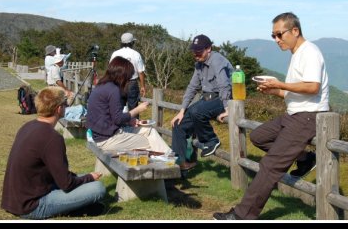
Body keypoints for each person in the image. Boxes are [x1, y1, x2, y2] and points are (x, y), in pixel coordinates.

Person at [213, 12, 329, 220]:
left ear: (295, 31)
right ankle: (305, 158)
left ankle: (242, 215)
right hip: (294, 114)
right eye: (273, 35)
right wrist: (274, 90)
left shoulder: (309, 52)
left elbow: (313, 87)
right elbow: (294, 91)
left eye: (279, 34)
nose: (276, 40)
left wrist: (279, 83)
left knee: (269, 166)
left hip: (308, 116)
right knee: (259, 136)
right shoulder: (297, 53)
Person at [1, 86, 106, 220]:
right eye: (65, 104)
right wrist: (89, 178)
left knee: (84, 178)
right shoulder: (52, 137)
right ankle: (73, 208)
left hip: (15, 199)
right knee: (98, 188)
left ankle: (76, 205)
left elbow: (56, 173)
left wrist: (85, 178)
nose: (66, 106)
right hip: (32, 205)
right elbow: (66, 184)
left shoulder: (27, 126)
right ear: (58, 109)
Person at [86, 56, 171, 172]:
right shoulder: (113, 90)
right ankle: (169, 167)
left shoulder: (102, 86)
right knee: (150, 141)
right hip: (108, 139)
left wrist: (129, 121)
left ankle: (170, 161)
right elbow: (118, 118)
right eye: (129, 77)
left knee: (150, 131)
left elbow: (109, 115)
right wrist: (137, 109)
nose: (129, 80)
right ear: (122, 75)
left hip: (101, 135)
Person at [170, 34, 234, 172]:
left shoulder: (218, 61)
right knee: (178, 125)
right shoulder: (199, 64)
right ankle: (179, 164)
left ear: (208, 48)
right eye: (194, 50)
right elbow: (192, 87)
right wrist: (181, 111)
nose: (195, 54)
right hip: (208, 98)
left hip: (223, 98)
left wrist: (228, 108)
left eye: (199, 51)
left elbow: (224, 86)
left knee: (196, 111)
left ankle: (211, 140)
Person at [109, 32, 146, 117]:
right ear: (132, 42)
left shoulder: (115, 53)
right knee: (134, 109)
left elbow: (111, 69)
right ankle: (134, 128)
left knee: (118, 108)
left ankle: (118, 128)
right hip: (132, 83)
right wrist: (143, 86)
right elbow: (141, 72)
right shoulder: (136, 54)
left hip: (118, 83)